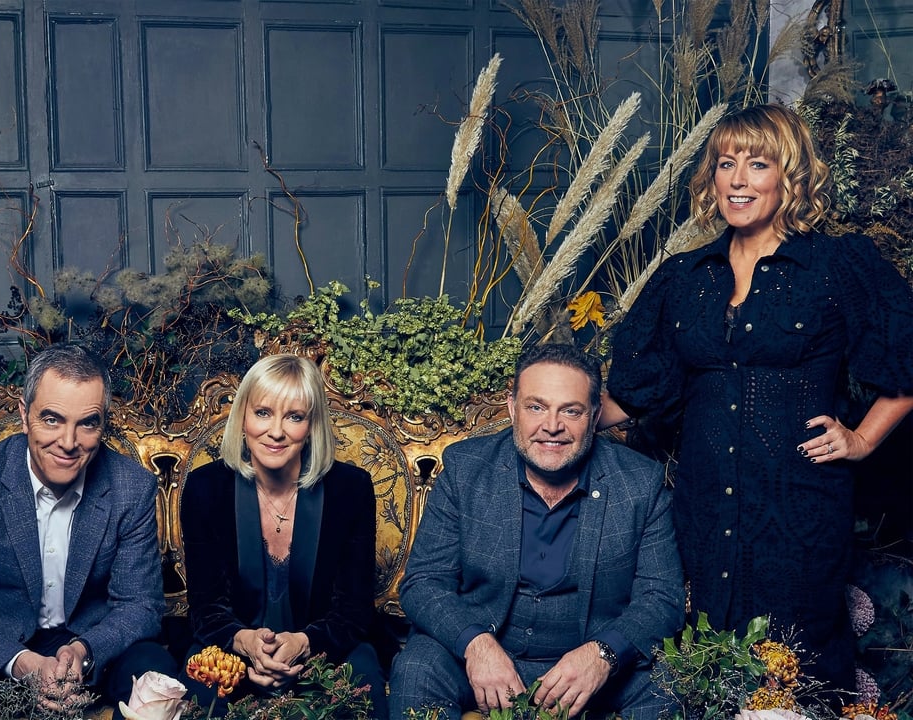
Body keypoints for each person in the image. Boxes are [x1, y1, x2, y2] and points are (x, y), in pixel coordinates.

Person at [604, 103, 913, 692]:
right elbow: (640, 390)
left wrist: (862, 439)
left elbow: (905, 357)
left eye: (758, 164)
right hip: (702, 507)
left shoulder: (835, 266)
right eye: (726, 164)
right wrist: (558, 413)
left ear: (790, 176)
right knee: (703, 669)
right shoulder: (685, 276)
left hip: (800, 509)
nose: (738, 180)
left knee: (796, 671)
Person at [390, 343, 683, 720]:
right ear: (513, 409)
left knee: (665, 682)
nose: (552, 426)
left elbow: (662, 598)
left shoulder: (640, 483)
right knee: (417, 667)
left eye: (571, 411)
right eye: (536, 407)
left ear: (595, 415)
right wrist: (476, 644)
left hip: (588, 662)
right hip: (486, 654)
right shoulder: (466, 470)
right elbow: (424, 582)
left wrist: (603, 654)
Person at [0, 344, 175, 718]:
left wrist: (85, 651)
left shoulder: (131, 487)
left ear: (103, 423)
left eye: (87, 423)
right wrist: (20, 661)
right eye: (52, 419)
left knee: (154, 669)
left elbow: (141, 606)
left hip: (93, 646)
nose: (68, 443)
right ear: (25, 416)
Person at [180, 354, 387, 716]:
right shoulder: (205, 488)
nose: (276, 432)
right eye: (263, 413)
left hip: (326, 652)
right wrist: (245, 644)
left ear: (312, 425)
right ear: (242, 417)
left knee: (362, 687)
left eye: (294, 417)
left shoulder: (350, 489)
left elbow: (353, 610)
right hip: (232, 650)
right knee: (197, 695)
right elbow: (206, 606)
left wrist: (305, 643)